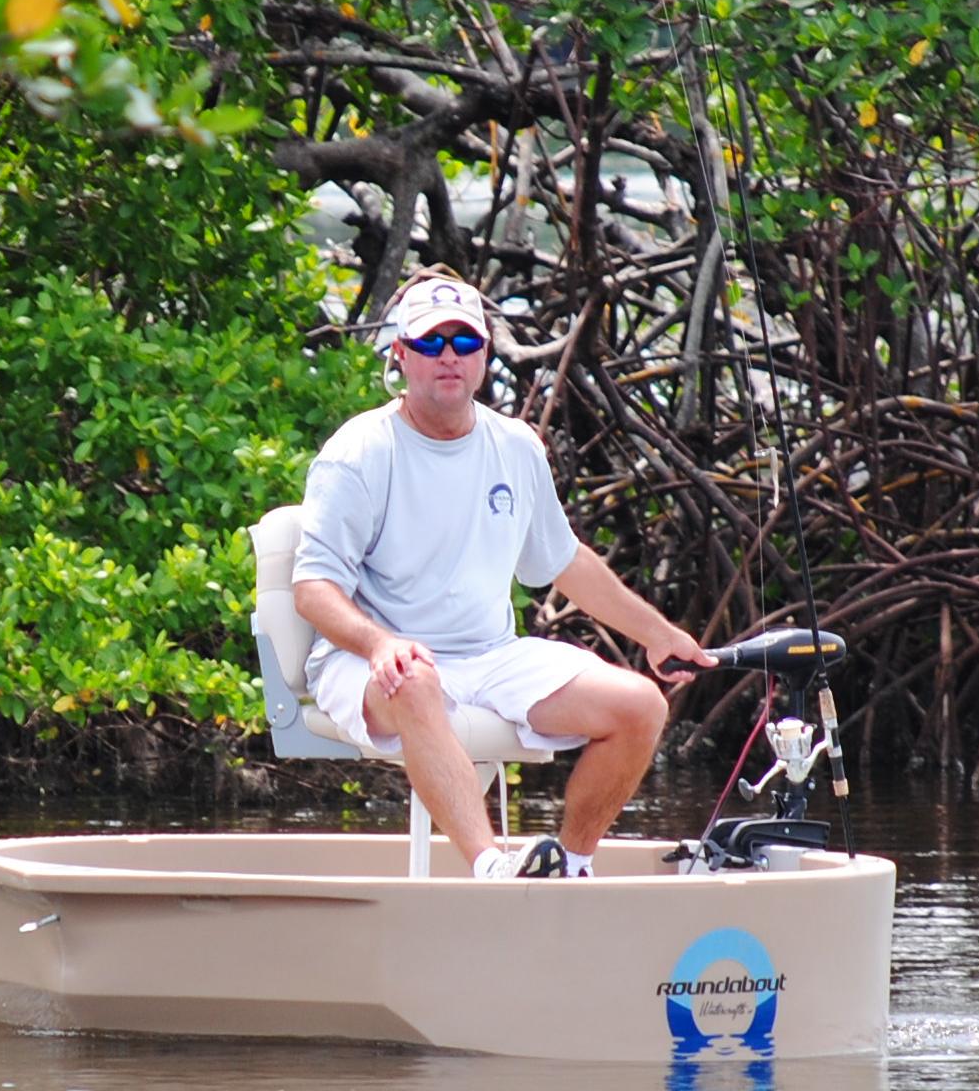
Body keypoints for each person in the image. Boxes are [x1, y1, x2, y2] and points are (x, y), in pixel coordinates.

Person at [292, 272, 715, 879]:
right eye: (431, 343)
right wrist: (381, 644)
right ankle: (493, 870)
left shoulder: (516, 447)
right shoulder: (358, 451)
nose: (448, 357)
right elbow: (313, 589)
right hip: (369, 663)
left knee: (640, 705)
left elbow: (563, 562)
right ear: (401, 355)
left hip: (491, 655)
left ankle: (569, 866)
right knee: (415, 679)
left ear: (484, 355)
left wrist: (658, 634)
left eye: (464, 344)